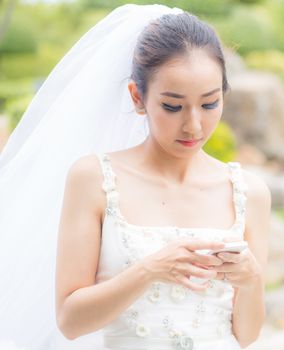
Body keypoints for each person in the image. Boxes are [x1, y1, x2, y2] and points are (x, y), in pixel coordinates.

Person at [0, 4, 270, 350]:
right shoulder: (94, 179)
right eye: (172, 106)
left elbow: (247, 335)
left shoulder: (249, 192)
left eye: (209, 103)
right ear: (137, 97)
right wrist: (151, 269)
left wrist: (250, 281)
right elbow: (70, 321)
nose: (194, 125)